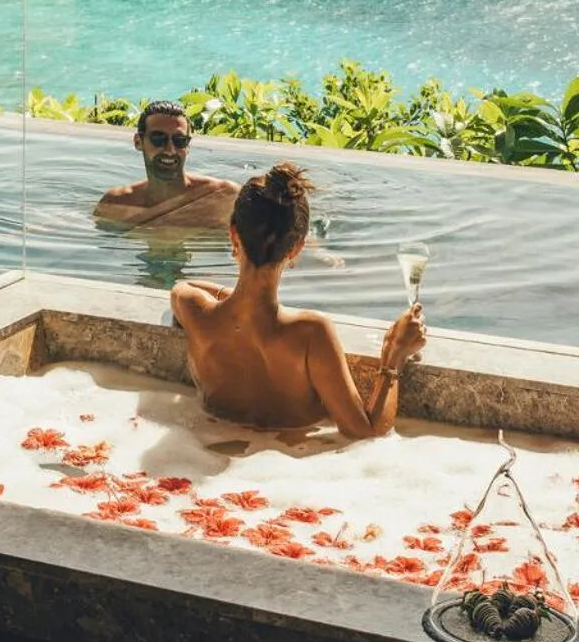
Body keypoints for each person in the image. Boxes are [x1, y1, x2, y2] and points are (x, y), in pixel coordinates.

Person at [170, 163, 424, 439]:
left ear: (233, 234)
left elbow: (183, 286)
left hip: (205, 449)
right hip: (288, 462)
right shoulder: (310, 333)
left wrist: (235, 298)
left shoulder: (193, 308)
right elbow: (364, 433)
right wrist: (394, 355)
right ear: (297, 249)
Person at [94, 100, 238, 229]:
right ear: (138, 142)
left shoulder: (224, 197)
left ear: (188, 146)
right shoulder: (116, 203)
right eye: (158, 139)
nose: (170, 150)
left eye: (179, 140)